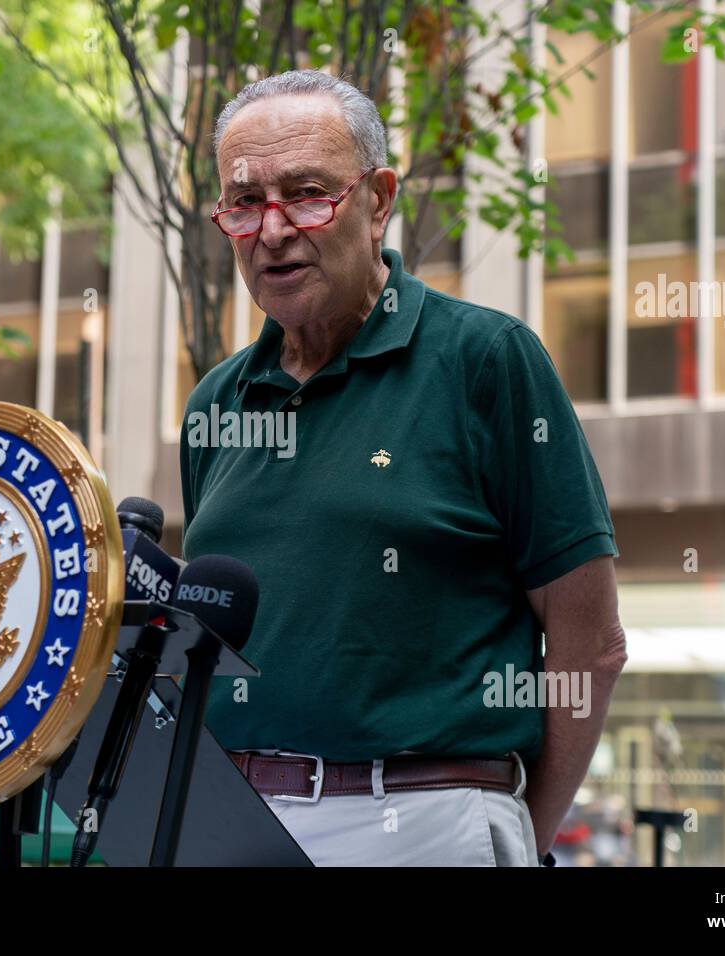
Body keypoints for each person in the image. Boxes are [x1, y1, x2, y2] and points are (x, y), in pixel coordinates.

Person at [179, 69, 628, 866]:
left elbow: (589, 642)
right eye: (245, 203)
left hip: (423, 820)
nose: (273, 229)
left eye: (308, 193)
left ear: (379, 199)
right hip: (231, 824)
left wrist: (519, 826)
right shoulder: (217, 400)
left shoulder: (486, 361)